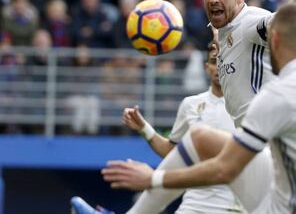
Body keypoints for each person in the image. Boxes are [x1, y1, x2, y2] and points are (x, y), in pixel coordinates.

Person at [72, 0, 296, 213]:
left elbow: (279, 22)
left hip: (269, 151)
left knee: (200, 140)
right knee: (201, 145)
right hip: (258, 152)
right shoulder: (226, 31)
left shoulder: (249, 22)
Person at [101, 3, 296, 213]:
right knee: (201, 137)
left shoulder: (279, 95)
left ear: (275, 39)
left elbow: (224, 169)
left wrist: (151, 178)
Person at [72, 43, 245, 213]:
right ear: (207, 67)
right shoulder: (190, 104)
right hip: (194, 200)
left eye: (225, 60)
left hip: (230, 203)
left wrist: (152, 178)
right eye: (215, 61)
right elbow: (175, 152)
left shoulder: (247, 104)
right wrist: (144, 128)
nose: (220, 66)